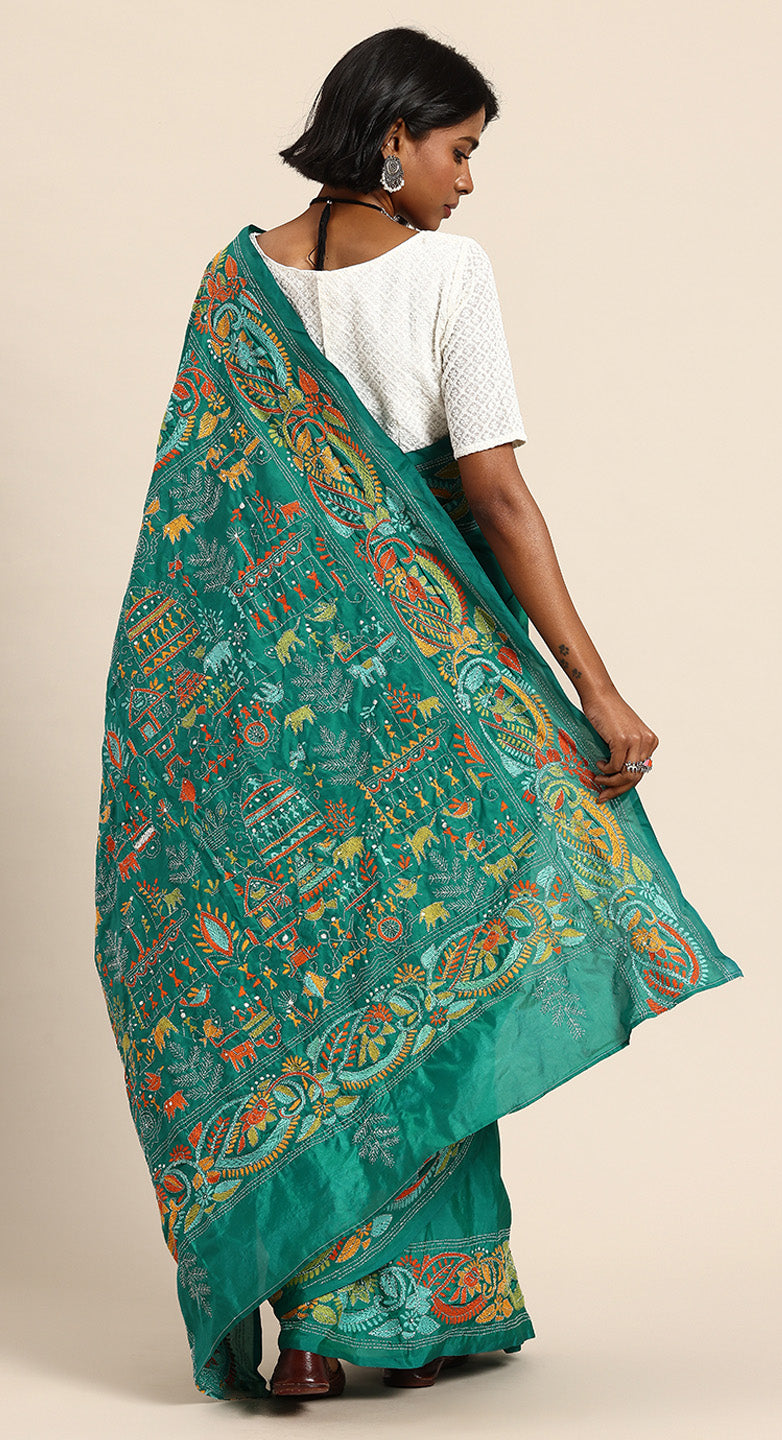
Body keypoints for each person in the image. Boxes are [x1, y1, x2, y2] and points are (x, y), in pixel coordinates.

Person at [93, 26, 743, 1402]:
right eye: (461, 149)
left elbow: (199, 527)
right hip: (423, 694)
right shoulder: (449, 273)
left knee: (317, 984)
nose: (469, 179)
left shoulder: (233, 283)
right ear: (393, 138)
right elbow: (493, 494)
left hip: (266, 710)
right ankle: (368, 1320)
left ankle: (338, 1323)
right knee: (431, 970)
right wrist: (595, 686)